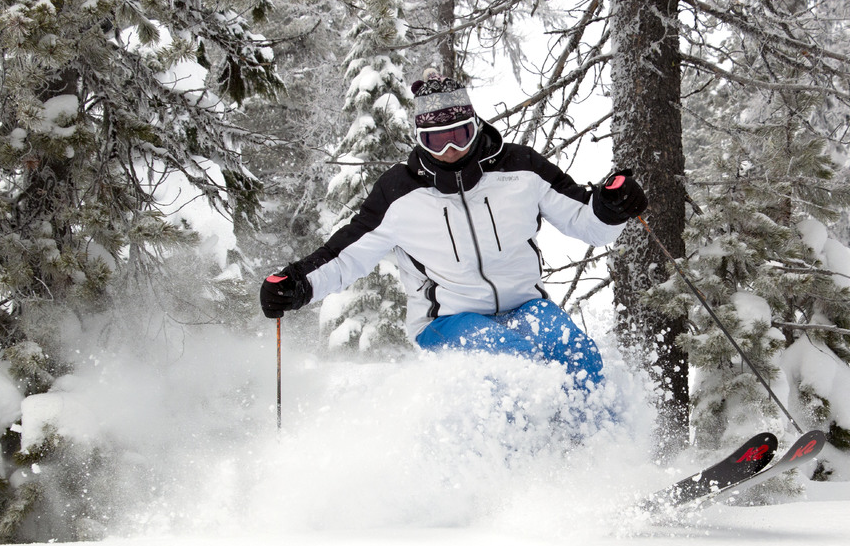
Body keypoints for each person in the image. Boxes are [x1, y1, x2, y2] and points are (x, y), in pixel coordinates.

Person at [260, 70, 647, 389]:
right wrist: (298, 284)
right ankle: (518, 456)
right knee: (512, 361)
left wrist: (611, 207)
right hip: (446, 320)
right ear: (419, 140)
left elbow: (586, 221)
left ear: (475, 127)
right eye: (435, 141)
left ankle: (595, 447)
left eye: (458, 136)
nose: (449, 151)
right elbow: (346, 255)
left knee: (578, 355)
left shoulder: (521, 168)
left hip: (526, 307)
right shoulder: (400, 192)